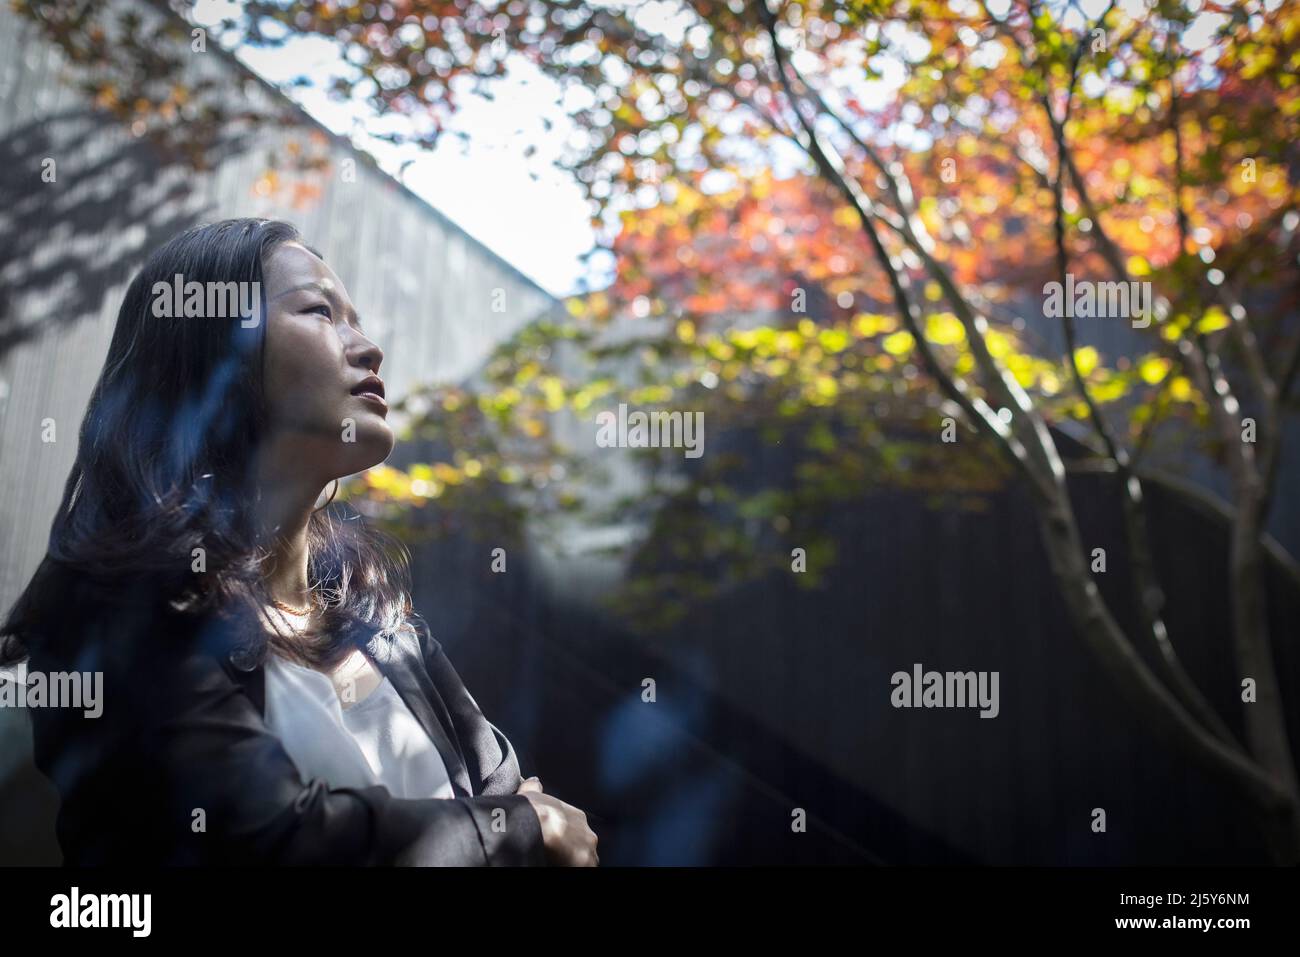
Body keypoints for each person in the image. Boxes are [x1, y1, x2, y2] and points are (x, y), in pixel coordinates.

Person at [0, 218, 598, 866]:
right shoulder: (112, 608)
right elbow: (272, 843)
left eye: (357, 319)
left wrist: (511, 823)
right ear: (214, 355)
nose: (368, 347)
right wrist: (516, 829)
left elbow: (510, 797)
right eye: (320, 311)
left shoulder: (381, 617)